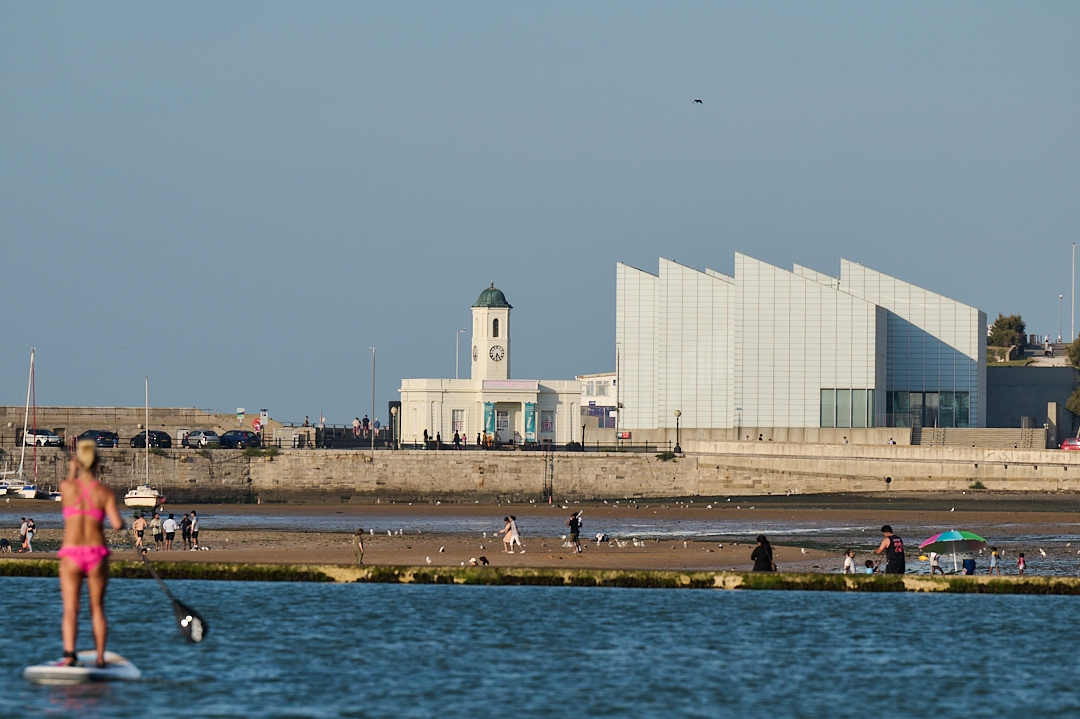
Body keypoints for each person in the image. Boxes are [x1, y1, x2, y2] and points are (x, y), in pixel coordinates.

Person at [57, 440, 125, 668]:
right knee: (97, 608)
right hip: (96, 554)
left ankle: (69, 655)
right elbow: (116, 524)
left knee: (70, 608)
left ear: (79, 462)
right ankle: (99, 657)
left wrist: (71, 469)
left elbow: (67, 483)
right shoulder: (105, 492)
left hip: (72, 553)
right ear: (97, 463)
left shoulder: (67, 488)